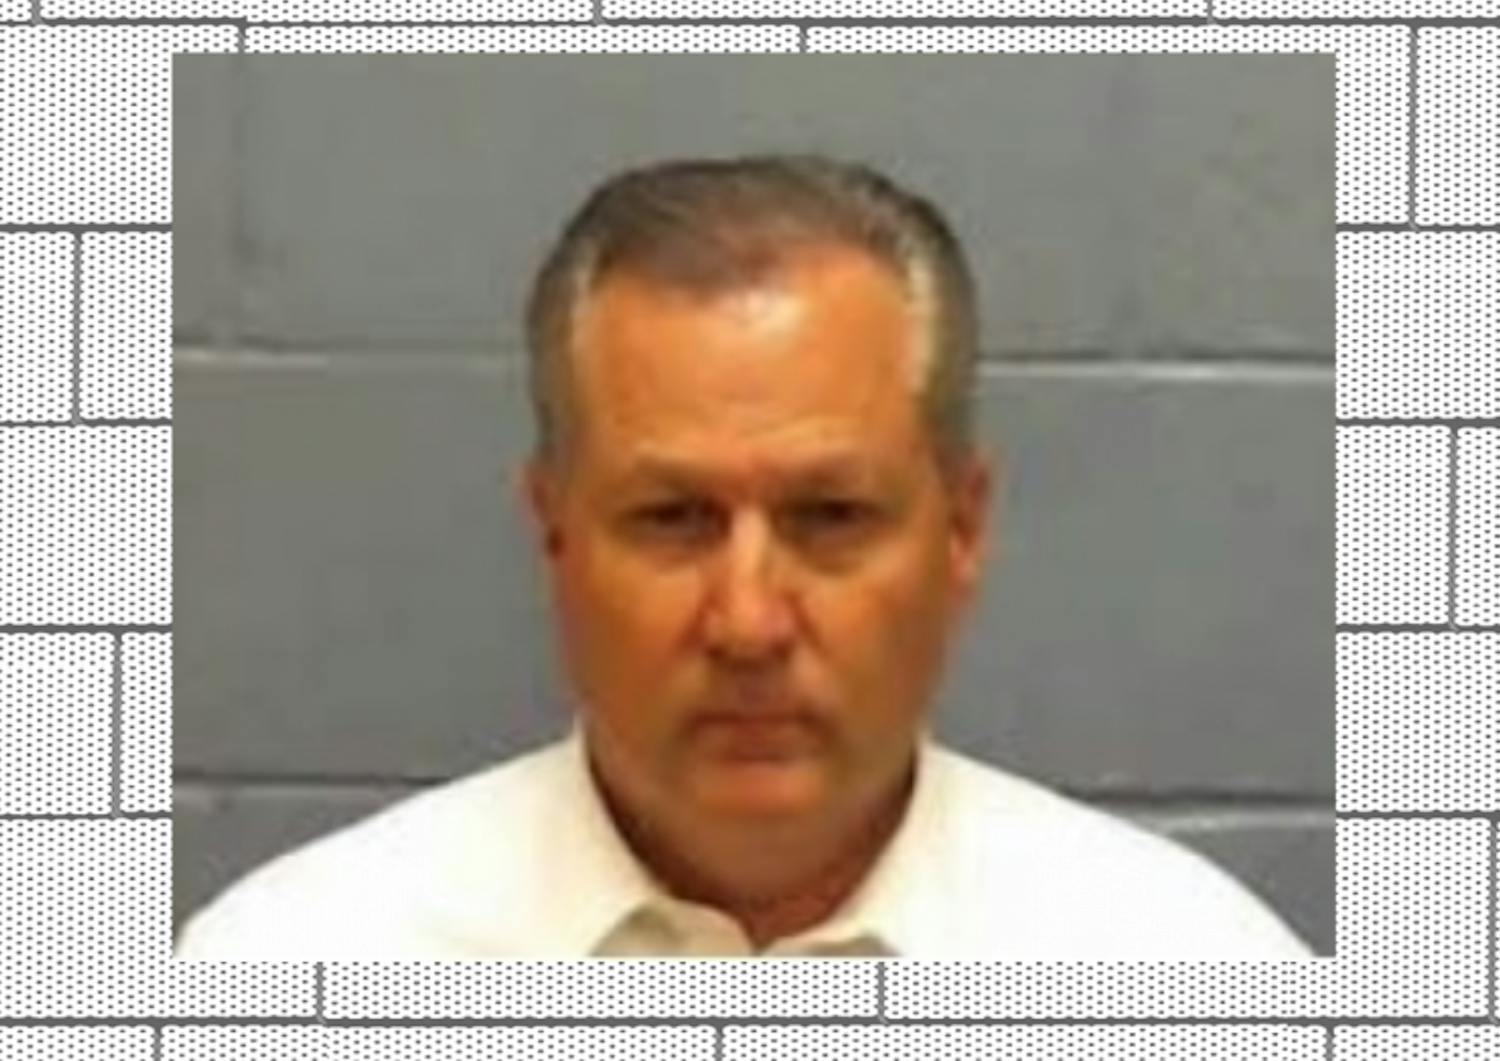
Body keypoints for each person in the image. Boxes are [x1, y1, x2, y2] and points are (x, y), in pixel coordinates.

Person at [176, 154, 1314, 959]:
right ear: (554, 531)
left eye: (832, 517)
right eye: (672, 518)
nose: (750, 621)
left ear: (962, 530)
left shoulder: (1188, 972)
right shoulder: (294, 966)